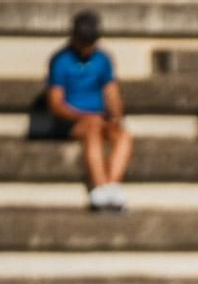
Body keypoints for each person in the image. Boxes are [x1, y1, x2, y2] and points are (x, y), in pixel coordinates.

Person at [36, 10, 133, 213]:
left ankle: (111, 188)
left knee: (122, 135)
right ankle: (99, 187)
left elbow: (112, 94)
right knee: (92, 129)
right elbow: (55, 104)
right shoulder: (60, 61)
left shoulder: (103, 60)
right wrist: (85, 117)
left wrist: (115, 116)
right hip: (70, 121)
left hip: (98, 117)